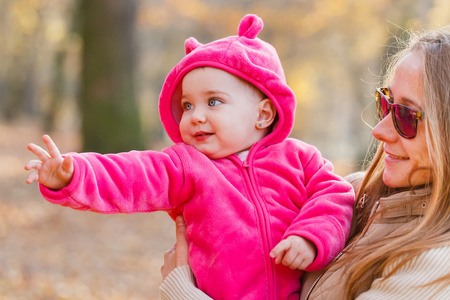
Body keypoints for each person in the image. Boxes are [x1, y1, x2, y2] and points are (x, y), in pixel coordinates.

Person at [24, 14, 354, 299]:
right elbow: (132, 174)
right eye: (187, 105)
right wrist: (74, 174)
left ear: (263, 113)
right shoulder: (187, 165)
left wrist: (310, 238)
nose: (195, 116)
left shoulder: (300, 158)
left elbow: (335, 195)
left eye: (213, 102)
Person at [158, 26, 450, 299]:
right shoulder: (350, 195)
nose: (379, 130)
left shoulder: (435, 265)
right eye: (385, 104)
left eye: (406, 116)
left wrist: (181, 290)